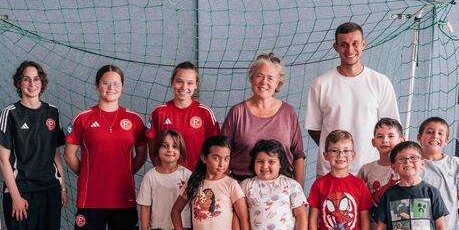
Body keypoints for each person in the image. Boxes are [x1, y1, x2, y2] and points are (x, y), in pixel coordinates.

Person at [64, 65, 147, 230]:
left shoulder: (134, 120)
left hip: (123, 198)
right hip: (92, 198)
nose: (111, 88)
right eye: (106, 82)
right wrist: (88, 175)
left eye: (116, 83)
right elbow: (70, 154)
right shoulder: (84, 118)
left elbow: (141, 154)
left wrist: (124, 173)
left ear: (122, 87)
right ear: (97, 85)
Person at [0, 61, 67, 230]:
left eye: (36, 79)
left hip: (49, 191)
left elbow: (55, 152)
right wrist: (15, 196)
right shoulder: (10, 114)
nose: (31, 83)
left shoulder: (52, 112)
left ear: (42, 82)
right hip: (22, 193)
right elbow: (3, 159)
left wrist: (63, 185)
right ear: (19, 83)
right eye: (26, 79)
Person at [305, 22, 400, 176]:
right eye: (344, 44)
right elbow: (314, 128)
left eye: (355, 43)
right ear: (335, 47)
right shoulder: (321, 84)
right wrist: (338, 152)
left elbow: (390, 129)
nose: (350, 49)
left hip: (372, 171)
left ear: (363, 44)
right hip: (332, 172)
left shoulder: (380, 82)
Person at [221, 53, 305, 182]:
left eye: (270, 78)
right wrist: (227, 191)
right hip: (242, 188)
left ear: (278, 83)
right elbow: (222, 153)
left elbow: (298, 155)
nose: (264, 82)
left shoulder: (288, 112)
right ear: (251, 78)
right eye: (259, 76)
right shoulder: (237, 112)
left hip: (282, 190)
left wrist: (299, 192)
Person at [146, 62, 220, 170]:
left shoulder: (205, 113)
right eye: (179, 81)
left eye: (190, 83)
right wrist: (163, 172)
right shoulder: (159, 112)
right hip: (168, 178)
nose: (184, 87)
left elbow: (215, 148)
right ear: (172, 82)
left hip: (197, 177)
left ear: (196, 85)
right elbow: (152, 148)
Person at [137, 129, 193, 230]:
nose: (170, 150)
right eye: (165, 145)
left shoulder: (187, 175)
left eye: (174, 146)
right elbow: (145, 208)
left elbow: (195, 206)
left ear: (181, 151)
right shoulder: (150, 176)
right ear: (157, 149)